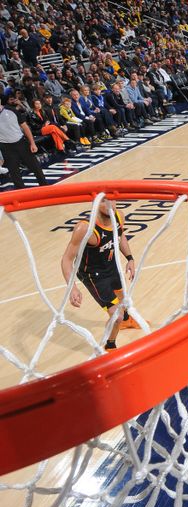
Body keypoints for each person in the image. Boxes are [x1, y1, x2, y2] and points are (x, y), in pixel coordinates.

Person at [60, 200, 141, 351]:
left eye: (112, 198)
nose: (110, 203)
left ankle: (127, 320)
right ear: (95, 203)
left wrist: (130, 258)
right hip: (94, 276)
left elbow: (120, 236)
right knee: (116, 316)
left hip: (111, 265)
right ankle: (110, 345)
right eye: (104, 200)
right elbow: (66, 259)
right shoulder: (85, 228)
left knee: (124, 299)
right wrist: (72, 288)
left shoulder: (119, 216)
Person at [0, 93, 48, 189]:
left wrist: (32, 143)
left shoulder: (12, 110)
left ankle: (45, 187)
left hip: (21, 142)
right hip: (5, 146)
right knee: (14, 172)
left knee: (35, 166)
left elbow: (25, 127)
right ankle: (21, 191)